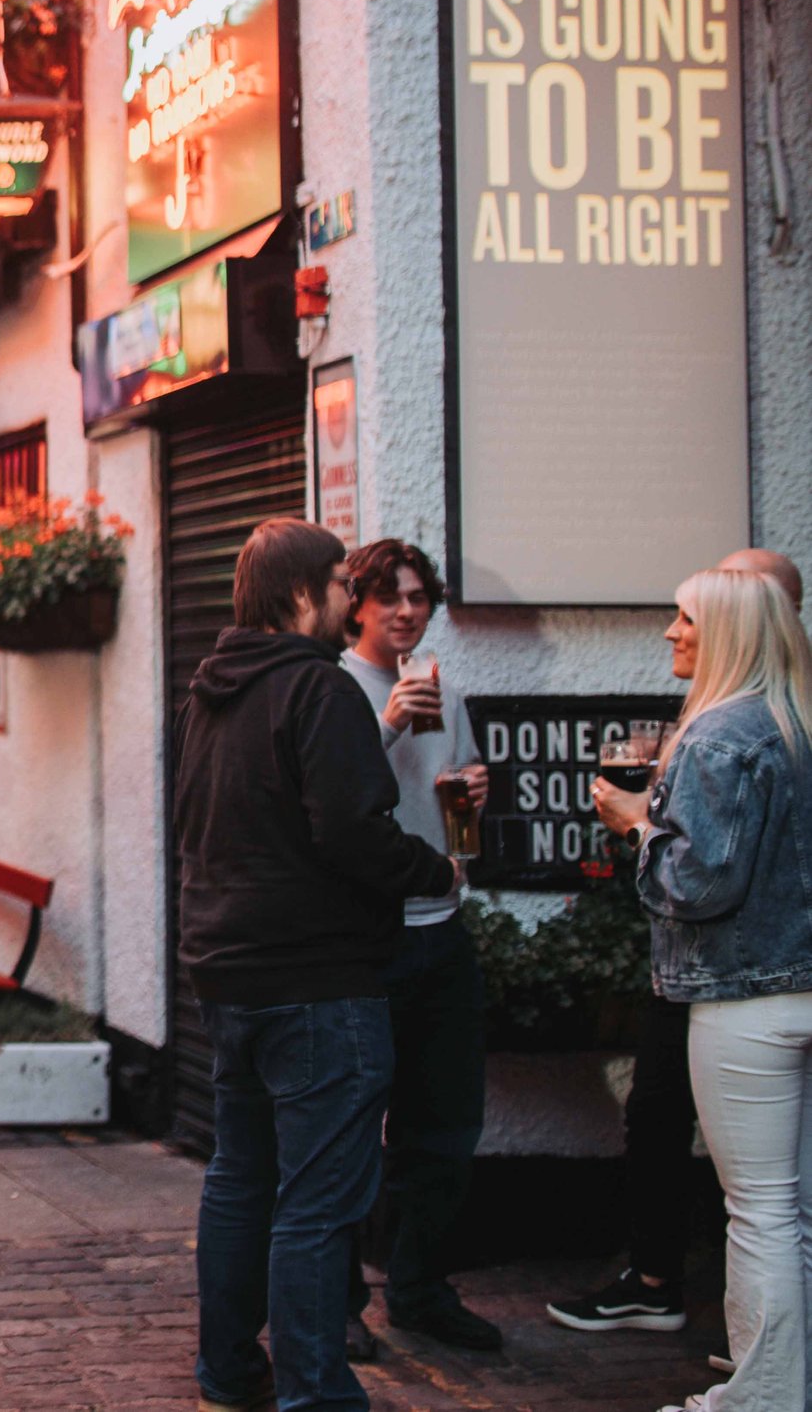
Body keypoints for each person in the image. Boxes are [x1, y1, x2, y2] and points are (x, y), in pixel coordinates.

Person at [174, 519, 460, 1412]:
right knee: (315, 1201)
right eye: (341, 581)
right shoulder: (321, 690)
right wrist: (432, 868)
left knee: (240, 1179)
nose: (351, 596)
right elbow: (351, 834)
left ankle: (228, 1370)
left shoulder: (212, 691)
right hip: (317, 984)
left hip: (229, 972)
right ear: (303, 595)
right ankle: (314, 1393)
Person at [549, 544, 806, 1340]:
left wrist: (638, 826)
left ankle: (764, 1386)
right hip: (795, 978)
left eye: (686, 616)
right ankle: (781, 1373)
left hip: (738, 991)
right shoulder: (793, 719)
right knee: (791, 1205)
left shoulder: (717, 734)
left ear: (726, 631)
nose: (669, 632)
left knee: (759, 1209)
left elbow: (697, 885)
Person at [337, 539, 499, 1356]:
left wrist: (472, 787)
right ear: (356, 604)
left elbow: (455, 791)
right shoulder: (338, 689)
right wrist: (390, 721)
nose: (406, 611)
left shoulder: (445, 689)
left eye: (419, 598)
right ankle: (338, 1304)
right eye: (389, 597)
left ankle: (420, 1288)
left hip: (442, 926)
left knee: (443, 1127)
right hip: (371, 938)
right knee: (353, 1127)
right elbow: (335, 796)